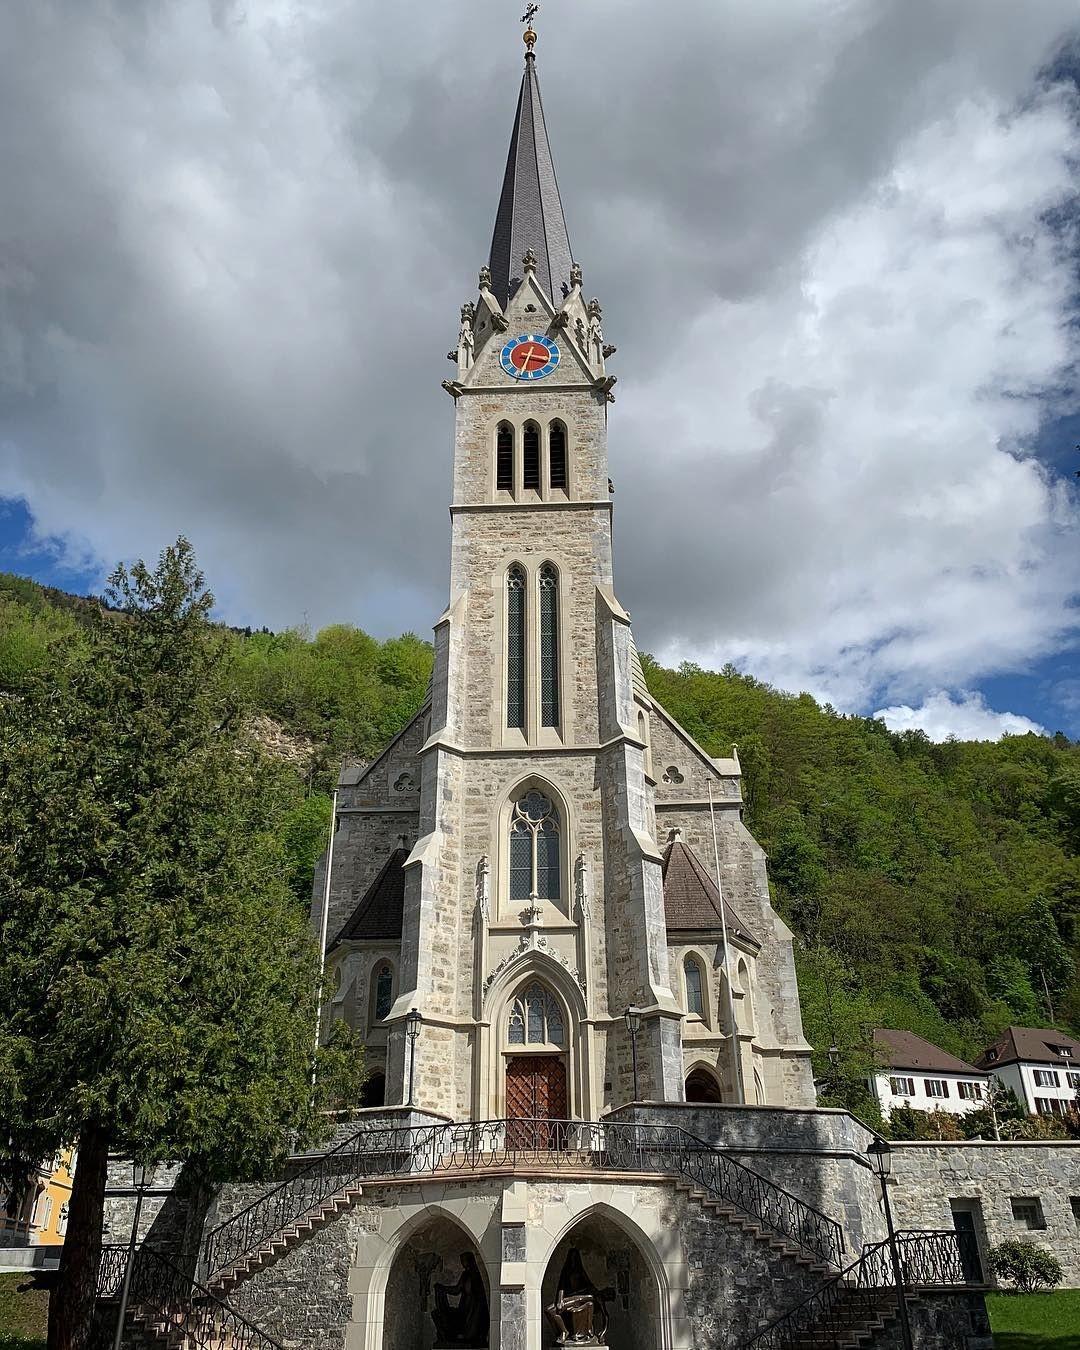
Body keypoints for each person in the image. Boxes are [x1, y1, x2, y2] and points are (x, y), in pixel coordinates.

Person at [544, 1248, 613, 1344]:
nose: (573, 1261)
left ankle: (564, 1332)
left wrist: (602, 1333)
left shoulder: (594, 1294)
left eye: (575, 1258)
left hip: (578, 1299)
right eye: (571, 1258)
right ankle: (561, 1332)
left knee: (551, 1310)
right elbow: (561, 1286)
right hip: (568, 1297)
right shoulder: (566, 1271)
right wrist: (560, 1300)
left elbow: (605, 1315)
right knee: (548, 1310)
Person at [432, 1251, 489, 1347]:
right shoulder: (466, 1275)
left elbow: (459, 1290)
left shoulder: (476, 1275)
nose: (462, 1263)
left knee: (469, 1328)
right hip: (466, 1308)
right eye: (461, 1261)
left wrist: (442, 1288)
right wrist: (443, 1288)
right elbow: (457, 1290)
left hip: (474, 1310)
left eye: (464, 1260)